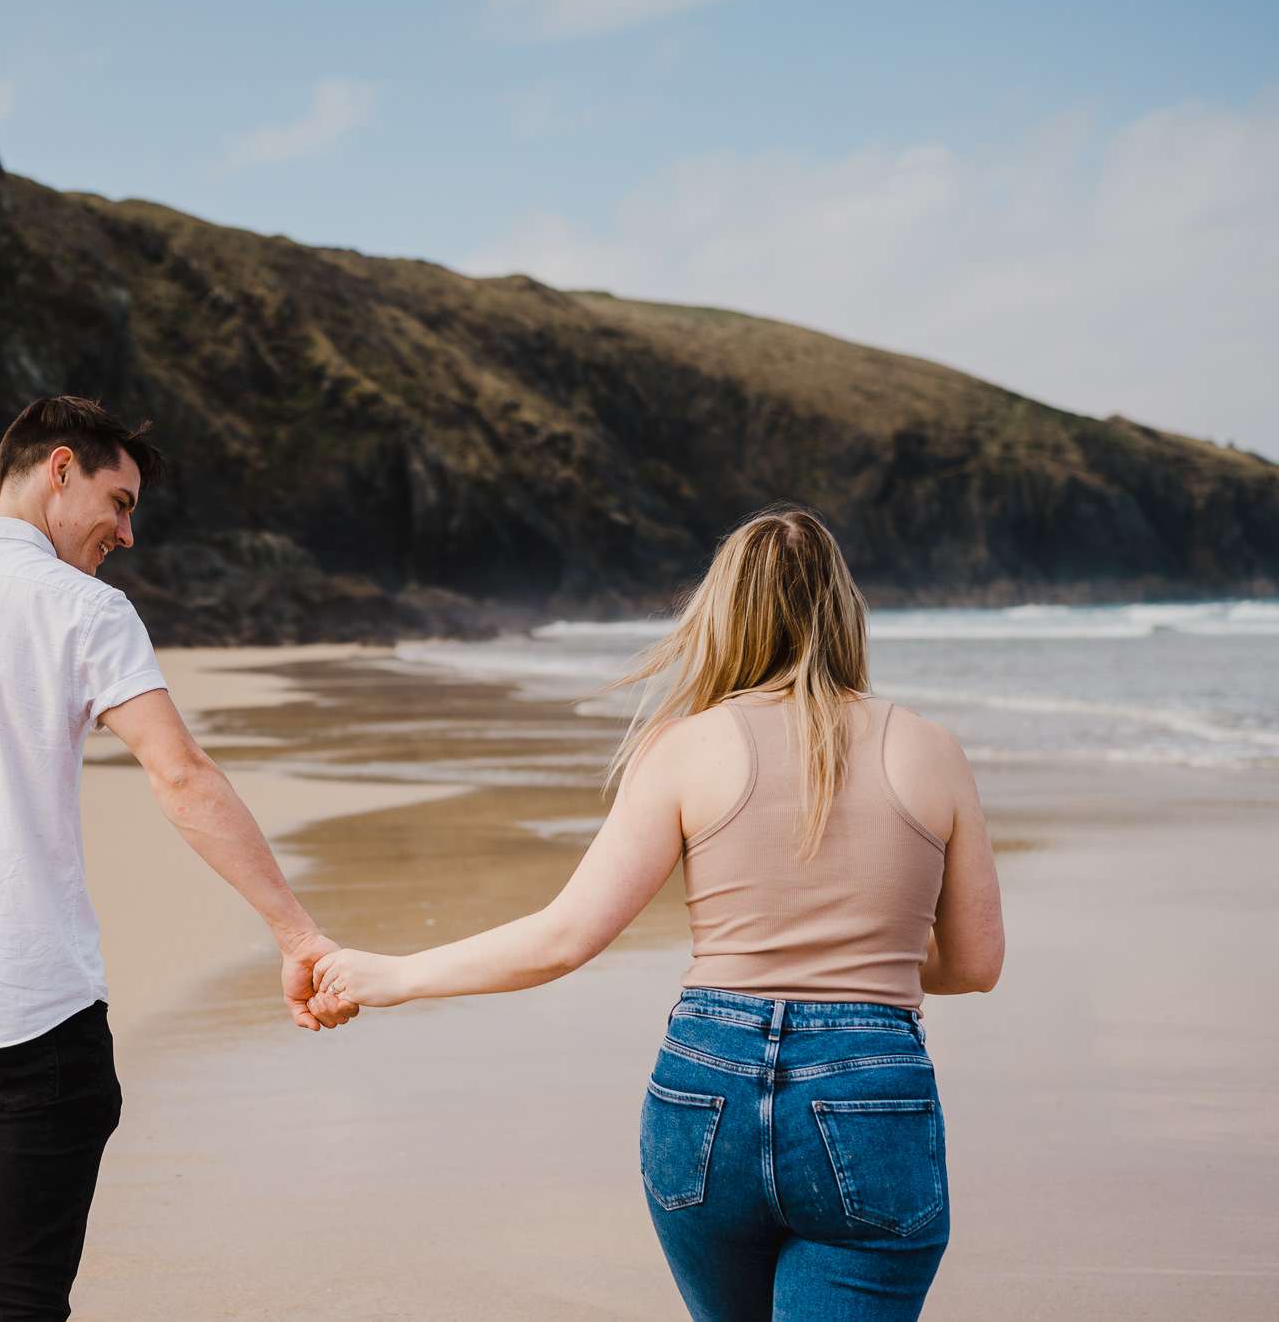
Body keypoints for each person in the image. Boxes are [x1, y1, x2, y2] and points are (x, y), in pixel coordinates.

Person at [315, 506, 1005, 1321]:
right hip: (868, 1092)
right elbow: (973, 963)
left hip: (704, 1089)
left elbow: (564, 937)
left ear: (723, 614)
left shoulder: (685, 748)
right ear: (845, 611)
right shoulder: (931, 750)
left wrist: (390, 974)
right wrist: (874, 952)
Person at [0, 395, 355, 1322]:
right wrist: (295, 931)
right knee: (21, 1289)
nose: (126, 533)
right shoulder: (85, 610)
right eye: (119, 501)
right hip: (30, 1011)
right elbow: (180, 773)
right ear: (59, 468)